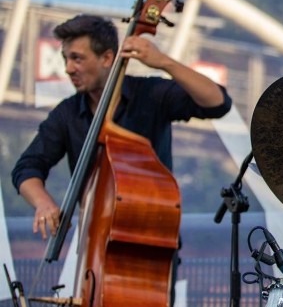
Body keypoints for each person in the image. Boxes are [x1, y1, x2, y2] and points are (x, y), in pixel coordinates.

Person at [12, 14, 232, 239]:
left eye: (77, 59)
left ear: (107, 58)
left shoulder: (150, 94)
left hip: (153, 241)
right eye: (65, 58)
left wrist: (165, 62)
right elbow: (27, 167)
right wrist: (43, 203)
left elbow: (218, 103)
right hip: (93, 244)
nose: (68, 68)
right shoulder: (67, 113)